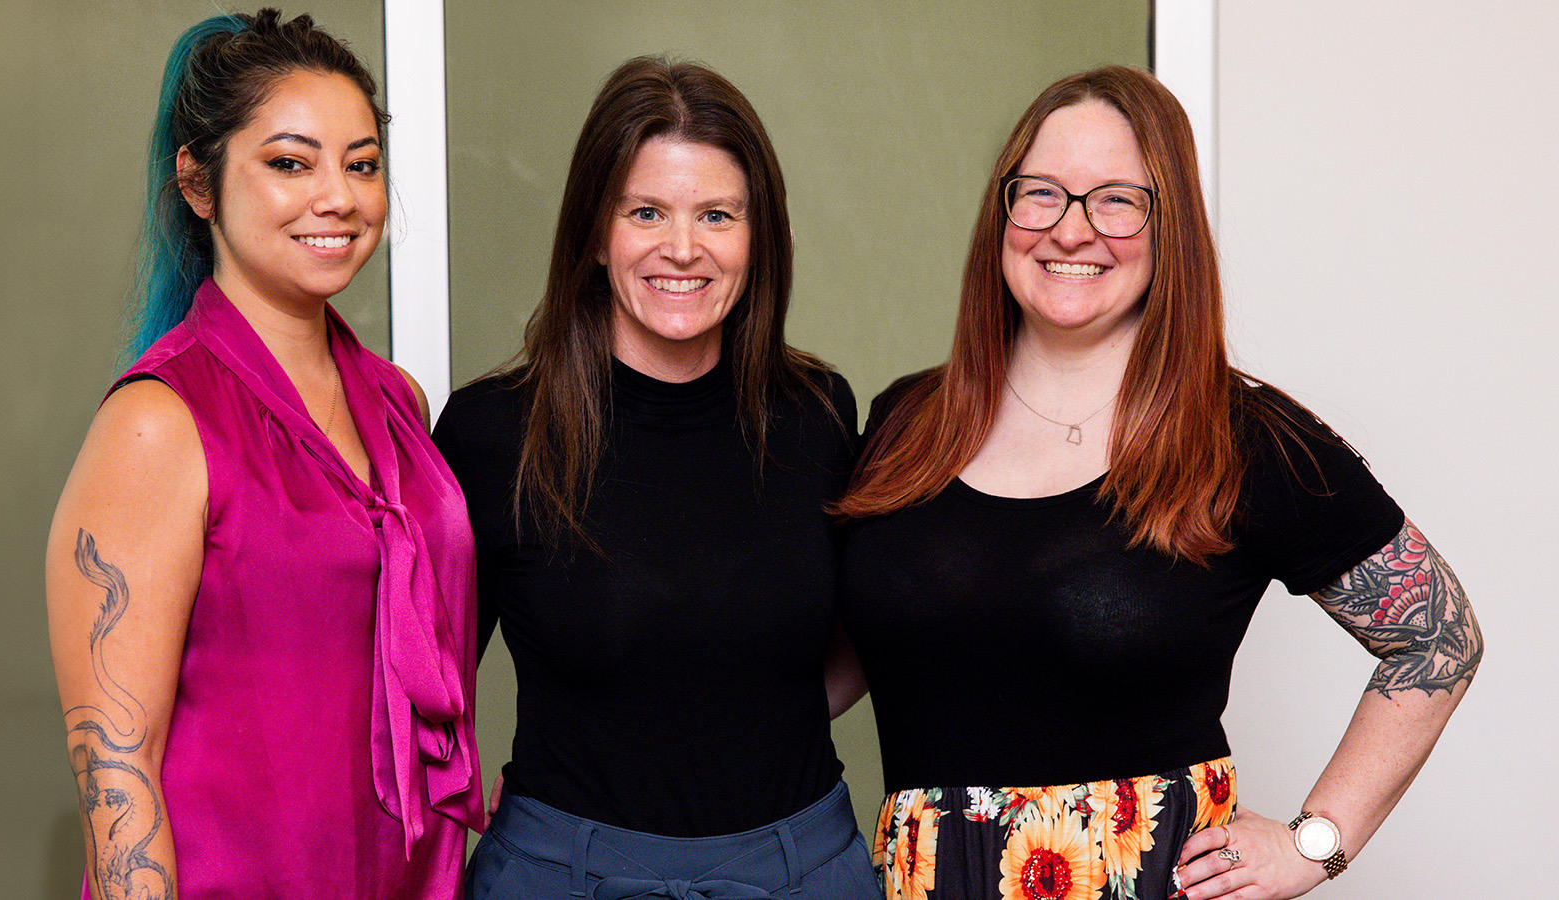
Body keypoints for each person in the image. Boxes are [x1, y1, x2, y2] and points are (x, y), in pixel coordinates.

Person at [833, 66, 1482, 900]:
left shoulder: (1240, 436)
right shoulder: (904, 422)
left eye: (1116, 200)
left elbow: (1441, 637)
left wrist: (1313, 844)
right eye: (1042, 194)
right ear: (1002, 212)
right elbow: (840, 648)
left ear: (1167, 223)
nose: (1071, 230)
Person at [45, 10, 481, 899]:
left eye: (361, 164)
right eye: (290, 162)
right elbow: (118, 772)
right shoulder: (159, 422)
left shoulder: (398, 402)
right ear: (198, 184)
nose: (339, 196)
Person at [431, 56, 879, 899]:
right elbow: (422, 687)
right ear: (596, 234)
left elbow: (879, 623)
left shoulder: (818, 412)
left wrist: (731, 724)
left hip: (801, 868)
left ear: (760, 237)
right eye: (646, 212)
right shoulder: (494, 433)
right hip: (565, 872)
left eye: (717, 214)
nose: (683, 249)